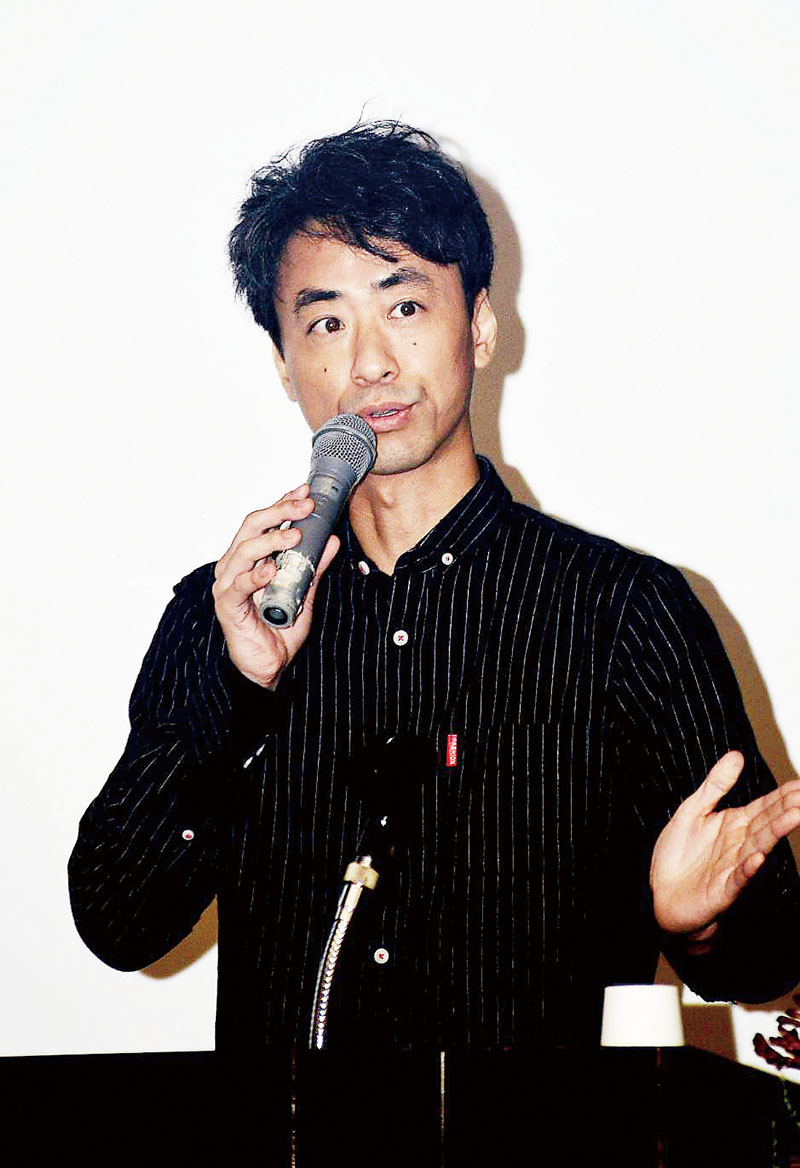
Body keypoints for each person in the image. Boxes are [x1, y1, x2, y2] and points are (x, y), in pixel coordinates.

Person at [69, 122, 800, 1053]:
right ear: (283, 363)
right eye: (326, 323)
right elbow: (118, 922)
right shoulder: (225, 615)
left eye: (405, 306)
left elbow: (769, 954)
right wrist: (237, 692)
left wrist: (694, 924)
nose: (370, 362)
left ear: (481, 326)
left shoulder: (623, 613)